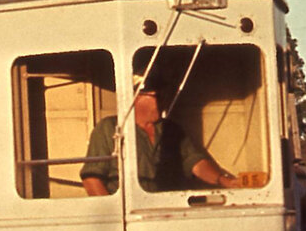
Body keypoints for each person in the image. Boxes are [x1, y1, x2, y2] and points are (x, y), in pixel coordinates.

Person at [80, 79, 238, 196]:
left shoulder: (171, 129)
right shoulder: (108, 128)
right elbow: (91, 178)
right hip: (129, 212)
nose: (164, 101)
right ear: (137, 97)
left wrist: (225, 181)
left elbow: (195, 163)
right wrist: (114, 218)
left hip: (167, 208)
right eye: (158, 96)